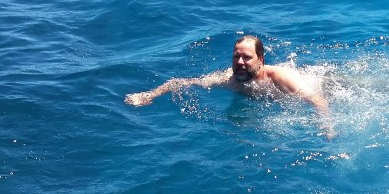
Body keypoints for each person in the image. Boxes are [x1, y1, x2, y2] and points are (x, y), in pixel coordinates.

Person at [125, 35, 334, 136]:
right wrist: (150, 95)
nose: (240, 62)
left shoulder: (279, 77)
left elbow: (318, 100)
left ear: (261, 60)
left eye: (247, 57)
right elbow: (181, 82)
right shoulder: (229, 80)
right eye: (236, 56)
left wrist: (326, 127)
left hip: (326, 85)